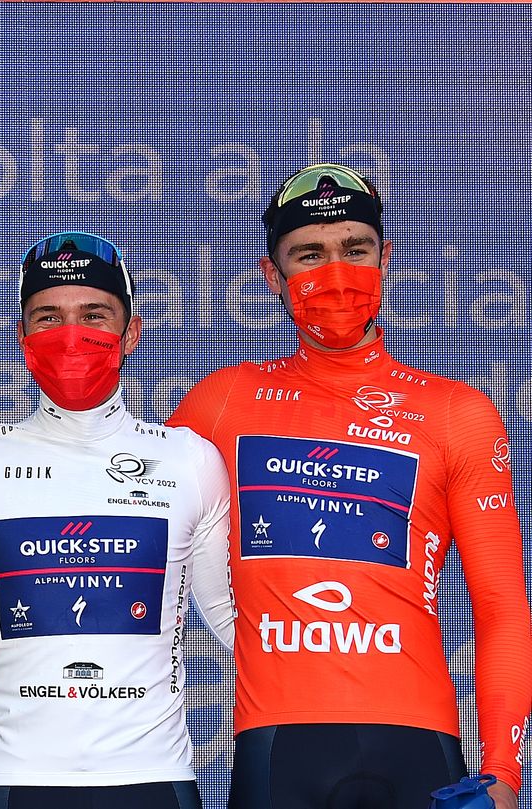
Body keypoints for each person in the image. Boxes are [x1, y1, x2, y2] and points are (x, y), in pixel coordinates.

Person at [168, 163, 532, 809]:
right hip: (279, 747)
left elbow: (502, 606)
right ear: (270, 276)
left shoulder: (458, 411)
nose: (336, 271)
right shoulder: (222, 402)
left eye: (355, 249)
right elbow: (133, 537)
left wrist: (504, 772)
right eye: (309, 253)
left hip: (422, 747)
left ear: (385, 257)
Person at [0, 231, 235, 809]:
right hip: (16, 780)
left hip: (154, 779)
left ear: (131, 333)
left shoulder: (189, 459)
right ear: (22, 338)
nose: (71, 335)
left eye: (93, 314)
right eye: (47, 317)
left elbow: (237, 622)